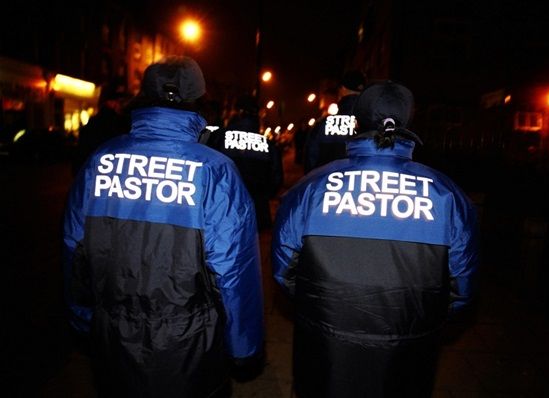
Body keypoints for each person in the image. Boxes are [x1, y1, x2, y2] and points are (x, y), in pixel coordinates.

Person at [62, 55, 265, 398]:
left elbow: (73, 248)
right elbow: (233, 267)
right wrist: (243, 345)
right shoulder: (214, 170)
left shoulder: (101, 160)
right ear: (199, 101)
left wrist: (84, 319)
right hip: (190, 344)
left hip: (113, 339)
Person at [272, 80, 479, 398]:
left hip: (327, 343)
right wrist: (422, 320)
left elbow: (285, 271)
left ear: (357, 121)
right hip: (407, 348)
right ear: (408, 123)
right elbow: (461, 289)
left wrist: (316, 308)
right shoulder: (447, 195)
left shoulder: (311, 187)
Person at [207, 93, 283, 230]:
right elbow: (277, 177)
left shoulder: (219, 138)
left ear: (236, 112)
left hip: (223, 208)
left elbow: (207, 169)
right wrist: (263, 196)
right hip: (256, 211)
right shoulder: (267, 144)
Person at [303, 69, 365, 173]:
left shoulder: (323, 125)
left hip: (327, 185)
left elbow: (310, 161)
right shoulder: (372, 123)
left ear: (343, 89)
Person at [71, 82, 130, 175]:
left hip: (92, 177)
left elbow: (79, 161)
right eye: (119, 101)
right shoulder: (119, 125)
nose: (121, 105)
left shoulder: (91, 125)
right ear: (110, 103)